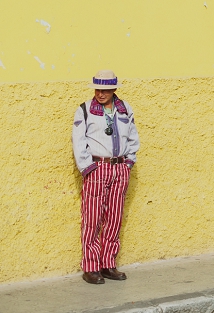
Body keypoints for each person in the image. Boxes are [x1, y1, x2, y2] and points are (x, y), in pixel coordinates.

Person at [71, 70, 140, 285]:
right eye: (98, 89)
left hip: (120, 168)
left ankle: (108, 263)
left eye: (105, 90)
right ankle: (91, 267)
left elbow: (133, 136)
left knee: (114, 217)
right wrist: (87, 168)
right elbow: (78, 141)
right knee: (92, 219)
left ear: (114, 90)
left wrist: (129, 162)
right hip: (97, 168)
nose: (101, 94)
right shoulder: (84, 111)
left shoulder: (124, 109)